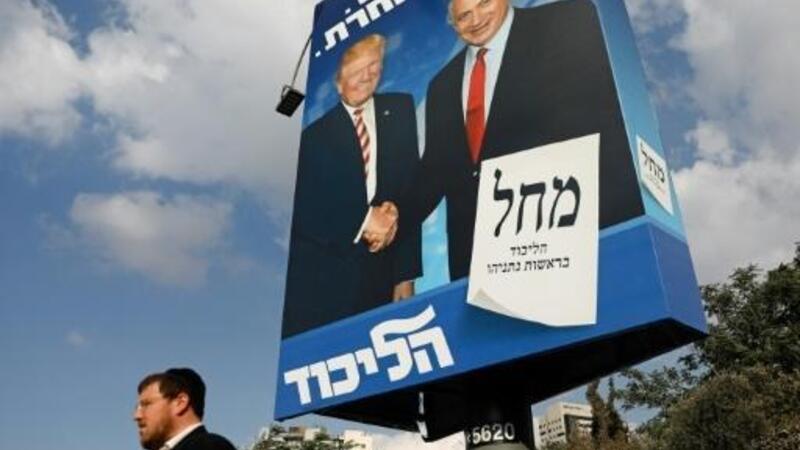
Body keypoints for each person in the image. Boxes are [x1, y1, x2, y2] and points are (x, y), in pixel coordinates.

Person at [367, 0, 644, 280]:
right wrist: (396, 215)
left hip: (573, 235)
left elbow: (603, 118)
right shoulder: (442, 85)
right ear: (454, 26)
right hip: (480, 262)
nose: (476, 20)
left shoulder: (565, 21)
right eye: (464, 16)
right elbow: (435, 170)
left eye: (484, 3)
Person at [282, 33, 422, 337]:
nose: (366, 76)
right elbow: (304, 211)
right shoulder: (312, 139)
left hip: (381, 279)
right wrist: (365, 219)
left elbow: (410, 189)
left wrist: (405, 275)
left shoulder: (400, 109)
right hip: (324, 287)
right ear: (338, 81)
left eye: (374, 67)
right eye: (357, 69)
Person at [134, 368, 236, 450]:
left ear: (180, 403)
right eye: (137, 407)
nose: (136, 416)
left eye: (146, 404)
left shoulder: (209, 446)